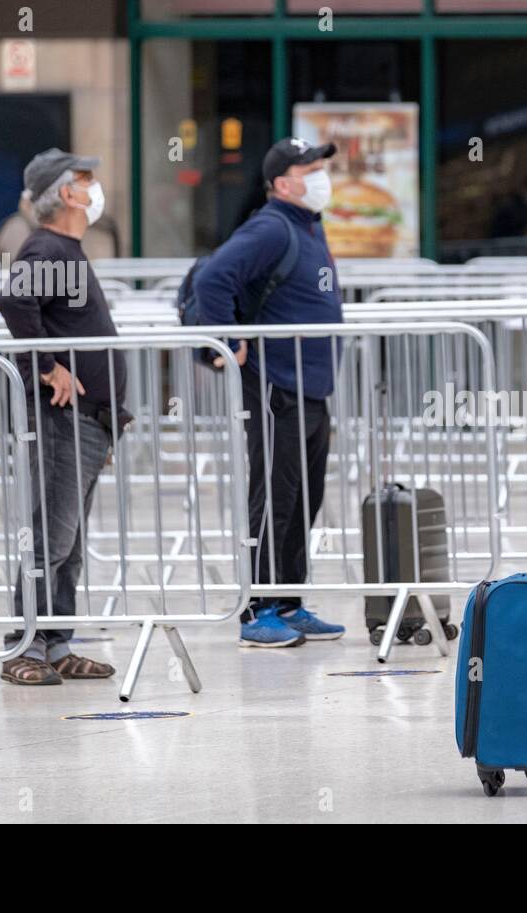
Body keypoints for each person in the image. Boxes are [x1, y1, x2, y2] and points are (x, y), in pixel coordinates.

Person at [193, 138, 347, 648]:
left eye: (323, 166)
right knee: (273, 499)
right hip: (276, 383)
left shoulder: (307, 225)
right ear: (283, 183)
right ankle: (257, 607)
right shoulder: (271, 227)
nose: (322, 175)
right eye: (312, 169)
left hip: (311, 386)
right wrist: (229, 342)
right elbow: (213, 279)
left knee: (305, 499)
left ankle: (288, 600)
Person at [0, 148, 127, 686]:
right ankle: (24, 646)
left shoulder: (66, 250)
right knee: (51, 538)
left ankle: (56, 643)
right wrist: (49, 367)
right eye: (84, 180)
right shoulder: (47, 248)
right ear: (64, 195)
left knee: (67, 544)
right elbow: (13, 303)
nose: (94, 188)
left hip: (87, 420)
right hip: (60, 420)